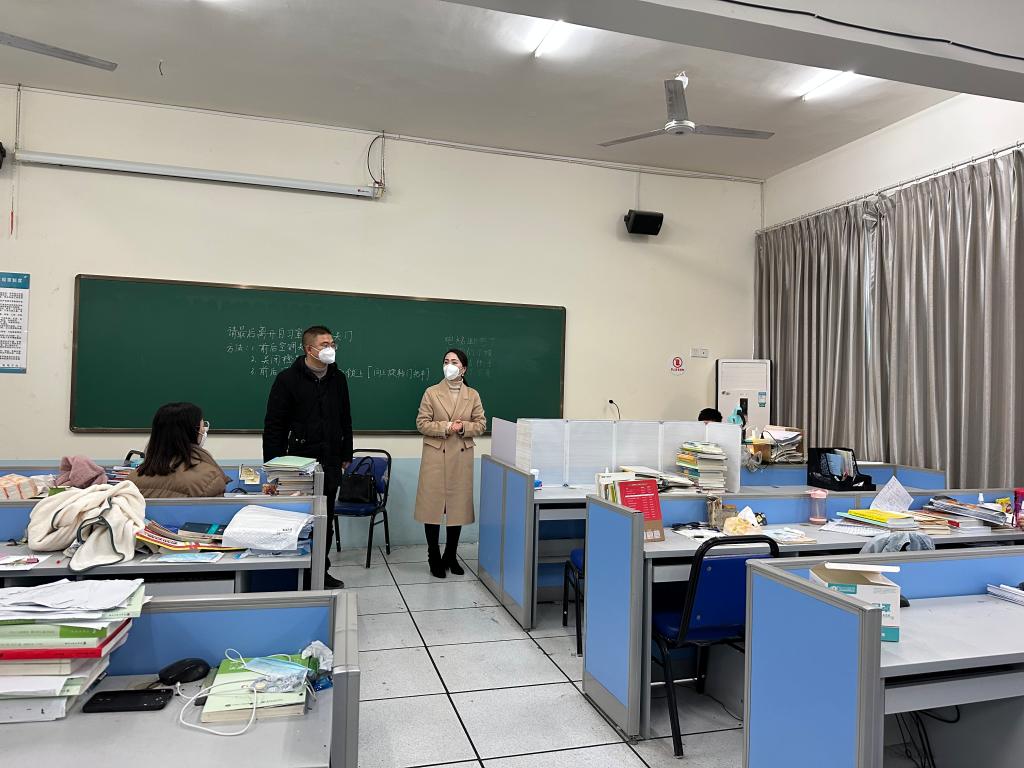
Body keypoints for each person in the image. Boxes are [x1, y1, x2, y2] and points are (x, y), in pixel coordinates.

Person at [263, 325, 353, 589]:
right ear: (309, 349)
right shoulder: (287, 379)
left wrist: (346, 452)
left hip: (331, 461)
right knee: (299, 519)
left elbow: (345, 418)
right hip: (298, 465)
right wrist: (274, 465)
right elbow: (275, 425)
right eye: (324, 344)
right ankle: (295, 572)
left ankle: (320, 572)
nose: (330, 349)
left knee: (326, 519)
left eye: (332, 344)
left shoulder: (338, 378)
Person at [414, 348, 486, 578]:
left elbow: (481, 424)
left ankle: (451, 555)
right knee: (432, 507)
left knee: (457, 508)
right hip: (435, 457)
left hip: (461, 457)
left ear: (463, 369)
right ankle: (433, 555)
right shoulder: (432, 392)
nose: (449, 365)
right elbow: (421, 423)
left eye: (454, 362)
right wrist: (446, 426)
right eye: (446, 361)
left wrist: (463, 427)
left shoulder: (472, 395)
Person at [128, 402, 229, 498]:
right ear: (192, 432)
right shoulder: (209, 479)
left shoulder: (131, 480)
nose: (204, 430)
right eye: (202, 426)